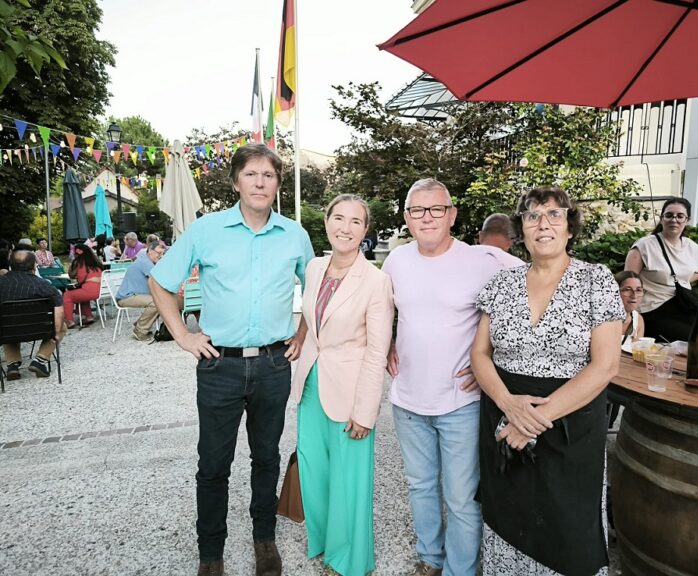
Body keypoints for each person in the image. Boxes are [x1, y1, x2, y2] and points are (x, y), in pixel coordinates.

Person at [148, 143, 314, 576]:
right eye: (251, 174)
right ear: (236, 181)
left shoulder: (294, 235)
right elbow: (160, 281)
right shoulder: (207, 230)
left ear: (277, 184)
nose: (260, 182)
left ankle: (264, 540)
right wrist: (182, 335)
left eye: (269, 175)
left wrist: (302, 333)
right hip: (219, 366)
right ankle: (211, 554)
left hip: (274, 365)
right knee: (213, 464)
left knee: (267, 457)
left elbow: (317, 292)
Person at [470, 187, 624, 576]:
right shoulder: (501, 283)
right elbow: (479, 355)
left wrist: (533, 421)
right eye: (533, 216)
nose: (544, 224)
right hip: (504, 422)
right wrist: (509, 406)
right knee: (508, 518)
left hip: (570, 427)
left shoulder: (596, 280)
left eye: (555, 215)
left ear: (570, 227)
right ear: (521, 229)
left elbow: (606, 366)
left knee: (568, 532)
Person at [383, 178, 523, 576]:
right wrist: (388, 342)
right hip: (408, 399)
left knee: (461, 498)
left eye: (436, 209)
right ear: (407, 217)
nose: (427, 217)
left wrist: (490, 362)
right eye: (417, 210)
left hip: (460, 401)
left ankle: (460, 570)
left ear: (452, 215)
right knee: (420, 486)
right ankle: (430, 557)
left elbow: (534, 289)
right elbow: (381, 310)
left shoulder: (484, 260)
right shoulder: (396, 261)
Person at [292, 194, 394, 576]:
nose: (345, 228)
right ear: (327, 222)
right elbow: (312, 317)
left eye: (355, 221)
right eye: (338, 218)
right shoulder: (315, 267)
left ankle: (350, 559)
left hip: (351, 392)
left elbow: (377, 351)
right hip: (310, 384)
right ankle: (322, 541)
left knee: (349, 480)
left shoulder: (377, 282)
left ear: (365, 230)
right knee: (314, 470)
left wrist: (366, 411)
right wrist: (300, 338)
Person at [624, 198, 698, 341]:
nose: (674, 220)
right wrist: (631, 315)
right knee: (692, 338)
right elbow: (628, 281)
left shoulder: (690, 246)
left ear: (687, 220)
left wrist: (684, 280)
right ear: (662, 219)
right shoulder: (645, 245)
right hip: (652, 308)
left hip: (683, 305)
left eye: (680, 216)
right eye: (669, 215)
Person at [0, 249, 66, 379]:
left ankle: (12, 365)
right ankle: (40, 360)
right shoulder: (44, 285)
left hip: (7, 331)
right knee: (62, 327)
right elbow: (59, 314)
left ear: (10, 265)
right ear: (34, 266)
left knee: (6, 324)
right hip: (40, 329)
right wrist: (55, 331)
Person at [116, 240, 166, 341]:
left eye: (162, 253)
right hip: (127, 297)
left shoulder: (145, 259)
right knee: (156, 302)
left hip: (131, 295)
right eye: (159, 253)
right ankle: (140, 331)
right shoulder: (146, 263)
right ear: (150, 250)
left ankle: (140, 324)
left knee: (160, 301)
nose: (161, 256)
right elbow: (159, 281)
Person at [63, 243, 103, 329]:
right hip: (102, 291)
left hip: (90, 291)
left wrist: (72, 263)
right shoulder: (96, 262)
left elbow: (71, 275)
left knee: (67, 295)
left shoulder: (78, 262)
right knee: (81, 294)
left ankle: (69, 321)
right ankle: (89, 316)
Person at [615, 270, 645, 343]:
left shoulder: (638, 319)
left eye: (638, 290)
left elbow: (636, 349)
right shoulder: (602, 320)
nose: (634, 296)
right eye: (627, 290)